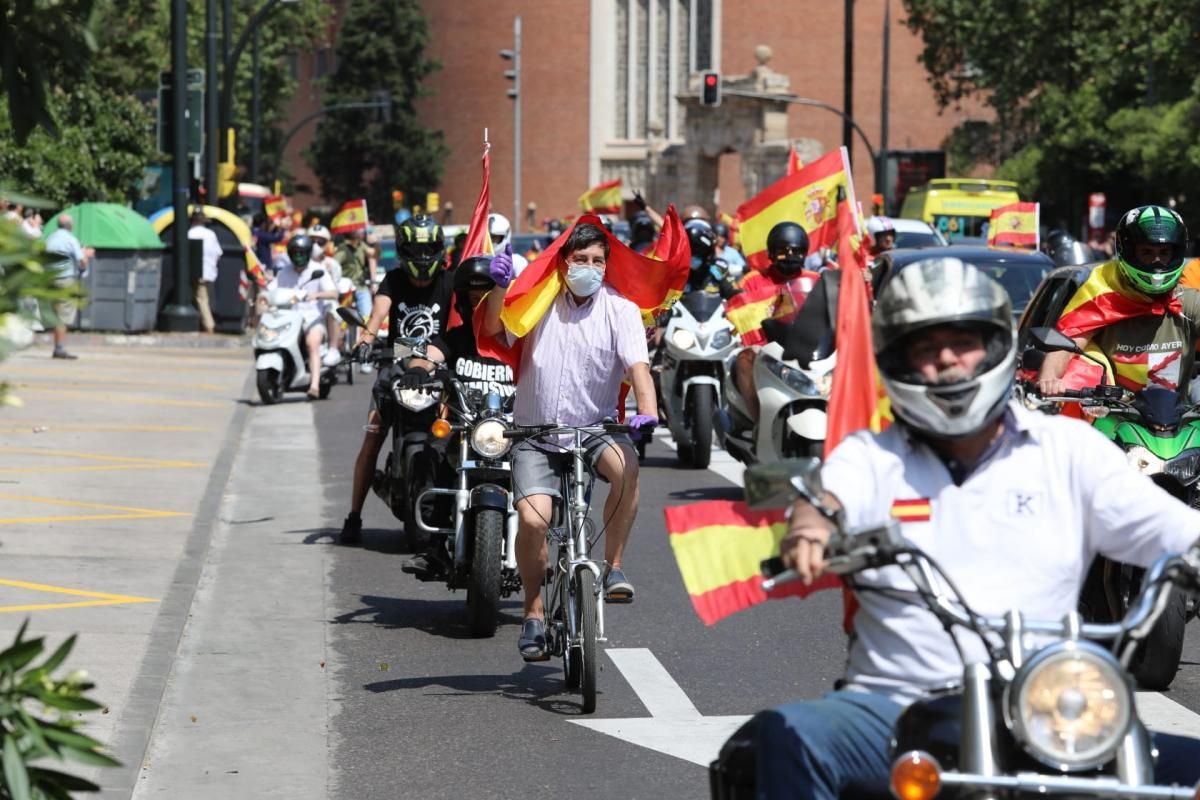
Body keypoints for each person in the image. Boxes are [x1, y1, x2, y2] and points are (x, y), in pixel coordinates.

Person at [756, 257, 1200, 798]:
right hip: (891, 709)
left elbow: (1177, 531)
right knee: (781, 742)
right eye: (925, 345)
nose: (946, 358)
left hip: (1045, 709)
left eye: (962, 340)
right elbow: (827, 499)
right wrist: (810, 530)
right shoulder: (872, 455)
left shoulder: (1067, 450)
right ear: (897, 360)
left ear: (994, 347)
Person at [480, 224, 659, 660]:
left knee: (627, 468)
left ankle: (613, 568)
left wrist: (647, 412)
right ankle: (533, 611)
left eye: (598, 261)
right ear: (564, 263)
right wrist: (499, 288)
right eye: (581, 260)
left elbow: (639, 369)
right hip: (534, 434)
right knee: (535, 520)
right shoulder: (537, 303)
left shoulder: (621, 310)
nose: (590, 269)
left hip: (595, 430)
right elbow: (492, 329)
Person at [340, 215, 455, 545]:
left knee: (461, 435)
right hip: (395, 370)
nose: (421, 257)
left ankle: (462, 512)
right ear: (403, 252)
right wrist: (366, 339)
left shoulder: (449, 284)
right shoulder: (392, 280)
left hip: (437, 373)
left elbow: (461, 327)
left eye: (427, 250)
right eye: (414, 250)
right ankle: (353, 516)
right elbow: (376, 316)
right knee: (372, 437)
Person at [401, 253, 518, 577]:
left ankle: (547, 545)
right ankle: (432, 547)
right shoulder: (456, 338)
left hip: (511, 431)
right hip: (466, 431)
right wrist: (417, 370)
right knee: (431, 453)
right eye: (473, 297)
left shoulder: (516, 341)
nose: (480, 304)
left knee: (549, 461)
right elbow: (427, 356)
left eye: (487, 297)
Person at [1036, 205, 1200, 396]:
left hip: (1179, 418)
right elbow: (1066, 344)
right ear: (1128, 251)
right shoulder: (1102, 296)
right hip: (1110, 416)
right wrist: (1050, 378)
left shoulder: (1188, 300)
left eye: (1164, 253)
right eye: (1147, 252)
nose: (1157, 261)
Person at [732, 221, 819, 421]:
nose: (789, 256)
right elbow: (737, 309)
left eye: (796, 251)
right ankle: (758, 421)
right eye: (782, 251)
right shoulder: (752, 280)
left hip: (808, 349)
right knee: (744, 358)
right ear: (771, 253)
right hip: (764, 350)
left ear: (804, 253)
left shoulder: (815, 279)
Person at [264, 234, 337, 399]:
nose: (298, 256)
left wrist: (316, 295)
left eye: (302, 253)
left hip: (312, 319)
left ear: (308, 253)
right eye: (295, 252)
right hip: (287, 318)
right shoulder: (284, 272)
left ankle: (314, 385)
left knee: (312, 344)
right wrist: (265, 287)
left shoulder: (318, 270)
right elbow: (271, 290)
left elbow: (333, 293)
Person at [42, 213, 93, 360]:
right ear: (70, 226)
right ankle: (59, 349)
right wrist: (86, 259)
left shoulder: (50, 238)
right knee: (63, 316)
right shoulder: (71, 239)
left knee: (57, 313)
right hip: (65, 279)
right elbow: (81, 260)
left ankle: (58, 346)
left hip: (50, 279)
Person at [307, 224, 345, 359]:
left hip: (325, 301)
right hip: (305, 301)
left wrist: (328, 273)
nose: (316, 245)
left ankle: (333, 348)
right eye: (312, 241)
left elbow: (335, 289)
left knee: (332, 309)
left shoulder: (332, 264)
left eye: (320, 242)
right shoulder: (300, 261)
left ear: (327, 244)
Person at [188, 209, 222, 334]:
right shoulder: (211, 234)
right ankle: (203, 324)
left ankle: (209, 325)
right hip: (210, 271)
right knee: (205, 297)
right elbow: (218, 253)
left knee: (201, 298)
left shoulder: (189, 234)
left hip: (197, 272)